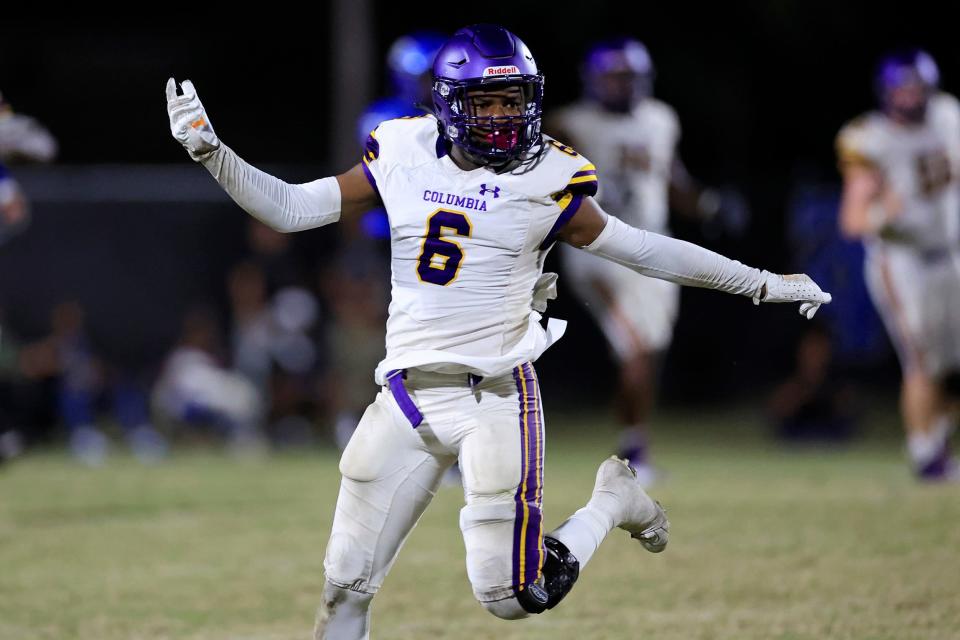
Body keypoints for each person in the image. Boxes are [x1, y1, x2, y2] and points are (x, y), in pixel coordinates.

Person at [166, 24, 830, 638]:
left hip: (494, 398)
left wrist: (762, 281)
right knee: (344, 586)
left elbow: (646, 250)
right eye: (486, 103)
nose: (503, 116)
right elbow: (289, 208)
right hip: (404, 396)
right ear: (451, 104)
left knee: (515, 595)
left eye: (513, 101)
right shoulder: (403, 150)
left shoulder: (547, 176)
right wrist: (211, 153)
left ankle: (610, 501)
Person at [547, 38, 749, 483]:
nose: (621, 86)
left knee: (649, 349)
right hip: (599, 252)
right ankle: (633, 453)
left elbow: (670, 179)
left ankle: (632, 445)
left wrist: (708, 205)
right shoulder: (571, 123)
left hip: (654, 250)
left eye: (628, 77)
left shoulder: (659, 119)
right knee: (637, 346)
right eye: (613, 77)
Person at [836, 49, 960, 481]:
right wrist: (883, 212)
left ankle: (939, 439)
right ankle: (925, 453)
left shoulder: (948, 115)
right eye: (902, 89)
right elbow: (852, 222)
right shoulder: (872, 138)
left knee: (947, 360)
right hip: (902, 261)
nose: (911, 97)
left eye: (917, 88)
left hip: (951, 253)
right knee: (921, 356)